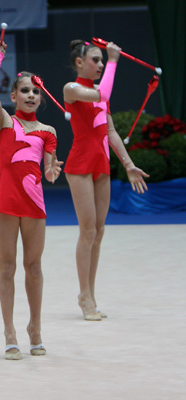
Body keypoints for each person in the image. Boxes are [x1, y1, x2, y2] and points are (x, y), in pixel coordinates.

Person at [0, 41, 63, 360]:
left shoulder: (48, 131)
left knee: (33, 266)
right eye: (25, 90)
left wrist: (53, 171)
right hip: (6, 200)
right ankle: (9, 332)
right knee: (7, 266)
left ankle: (36, 328)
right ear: (14, 95)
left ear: (41, 98)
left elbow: (49, 168)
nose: (31, 95)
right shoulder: (4, 121)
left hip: (34, 203)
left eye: (36, 91)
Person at [63, 40, 149, 321]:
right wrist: (114, 60)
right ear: (80, 63)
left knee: (99, 232)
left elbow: (110, 131)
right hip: (80, 165)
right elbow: (101, 93)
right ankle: (84, 295)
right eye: (96, 60)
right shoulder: (73, 90)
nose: (100, 65)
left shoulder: (102, 95)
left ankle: (90, 292)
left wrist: (128, 163)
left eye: (102, 61)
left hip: (102, 164)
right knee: (87, 231)